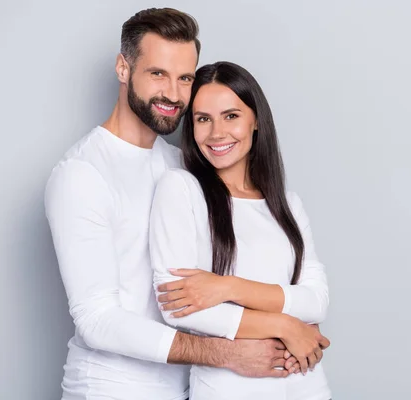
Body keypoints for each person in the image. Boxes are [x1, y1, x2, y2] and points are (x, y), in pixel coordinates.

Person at [44, 9, 322, 400]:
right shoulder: (82, 174)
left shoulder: (184, 164)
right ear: (124, 69)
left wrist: (277, 326)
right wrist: (229, 351)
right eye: (157, 73)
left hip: (190, 387)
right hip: (112, 389)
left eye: (185, 78)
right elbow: (96, 319)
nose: (174, 94)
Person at [149, 61, 332, 400]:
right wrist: (285, 324)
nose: (217, 132)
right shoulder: (181, 189)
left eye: (231, 116)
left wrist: (227, 287)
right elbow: (179, 305)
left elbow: (316, 301)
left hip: (308, 387)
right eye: (203, 119)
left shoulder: (287, 204)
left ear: (256, 120)